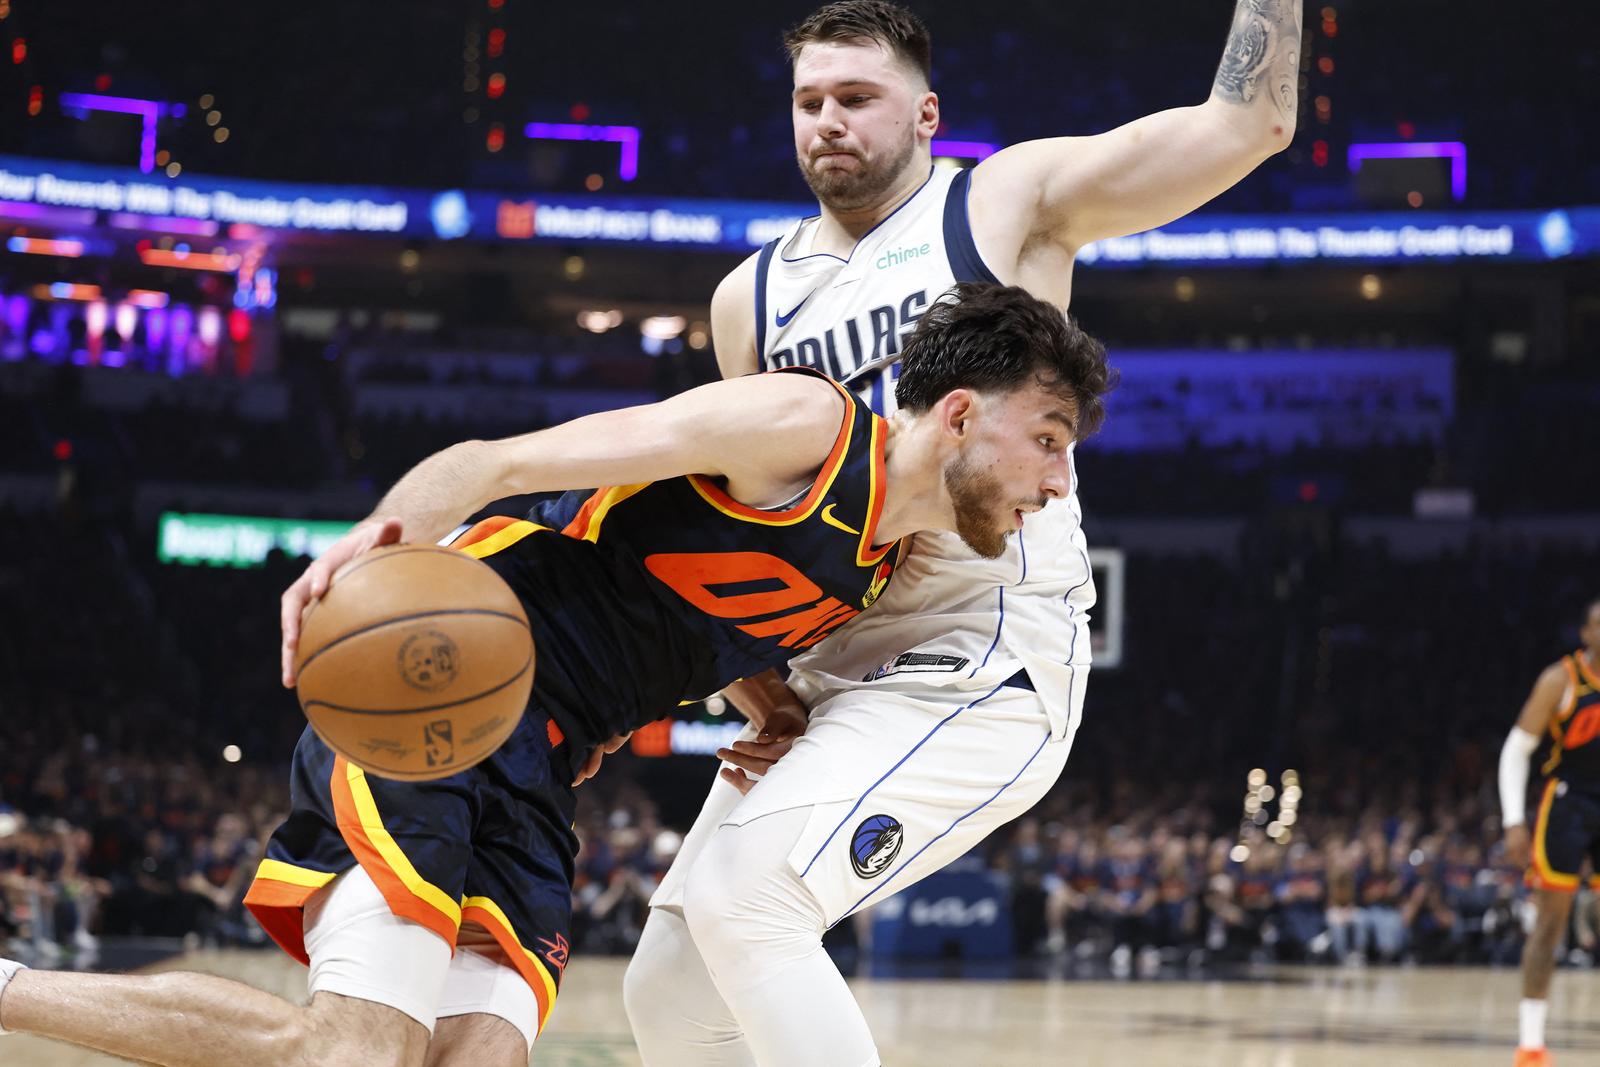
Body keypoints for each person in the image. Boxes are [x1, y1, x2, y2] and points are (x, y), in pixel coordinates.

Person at [0, 283, 1114, 1067]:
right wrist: (363, 543)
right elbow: (500, 463)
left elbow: (688, 593)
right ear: (962, 412)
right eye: (1051, 438)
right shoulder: (802, 424)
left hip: (544, 768)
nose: (1059, 481)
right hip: (439, 697)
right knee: (357, 1049)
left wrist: (761, 693)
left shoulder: (879, 563)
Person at [619, 3, 1302, 1065]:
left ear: (926, 113)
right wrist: (747, 666)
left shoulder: (1000, 206)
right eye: (809, 101)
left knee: (749, 903)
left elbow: (1243, 123)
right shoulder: (746, 299)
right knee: (667, 992)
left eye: (857, 98)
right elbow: (758, 511)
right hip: (827, 672)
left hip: (978, 651)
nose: (828, 122)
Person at [1499, 598, 1600, 1067]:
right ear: (1586, 634)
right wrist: (1513, 820)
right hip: (1568, 804)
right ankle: (1531, 1045)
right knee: (1550, 925)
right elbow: (1517, 750)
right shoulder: (1559, 680)